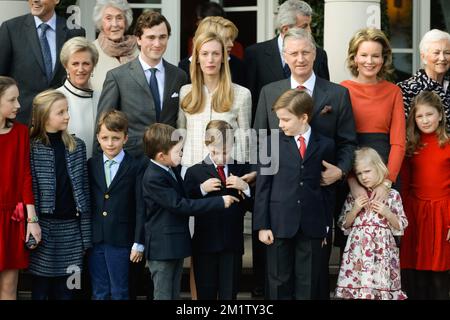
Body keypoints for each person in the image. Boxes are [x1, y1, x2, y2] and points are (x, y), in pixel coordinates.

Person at [253, 27, 357, 299]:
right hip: (280, 208)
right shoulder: (268, 92)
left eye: (306, 52)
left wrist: (341, 170)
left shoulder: (336, 94)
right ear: (284, 56)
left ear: (315, 54)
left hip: (317, 200)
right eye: (293, 53)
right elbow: (260, 142)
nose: (300, 58)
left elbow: (347, 142)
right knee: (278, 281)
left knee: (312, 282)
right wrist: (261, 218)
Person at [140, 123, 238, 300]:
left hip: (175, 246)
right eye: (178, 151)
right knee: (163, 295)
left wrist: (200, 189)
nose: (182, 154)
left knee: (173, 294)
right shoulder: (153, 177)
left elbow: (185, 194)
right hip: (162, 248)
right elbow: (181, 205)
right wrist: (218, 201)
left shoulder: (172, 169)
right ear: (162, 156)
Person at [254, 89, 335, 299]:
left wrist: (326, 225)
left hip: (313, 224)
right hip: (279, 224)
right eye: (279, 119)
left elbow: (327, 189)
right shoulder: (269, 144)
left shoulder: (325, 144)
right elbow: (262, 187)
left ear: (304, 117)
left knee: (308, 283)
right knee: (278, 281)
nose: (280, 124)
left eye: (285, 119)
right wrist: (262, 225)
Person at [340, 28, 406, 248]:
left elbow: (398, 142)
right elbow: (340, 141)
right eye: (364, 55)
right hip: (352, 168)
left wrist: (387, 182)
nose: (370, 61)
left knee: (386, 238)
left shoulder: (393, 91)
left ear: (383, 58)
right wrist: (351, 181)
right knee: (351, 239)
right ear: (354, 58)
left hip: (384, 169)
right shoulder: (342, 90)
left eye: (376, 55)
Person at [96, 11, 188, 157]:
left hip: (170, 162)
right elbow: (103, 126)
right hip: (132, 162)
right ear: (138, 39)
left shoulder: (179, 76)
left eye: (162, 37)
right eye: (151, 37)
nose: (157, 44)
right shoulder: (117, 77)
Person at [29, 89, 91, 300]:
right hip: (43, 232)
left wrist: (86, 236)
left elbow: (83, 191)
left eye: (67, 111)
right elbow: (30, 191)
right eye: (61, 112)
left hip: (72, 233)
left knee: (70, 291)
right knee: (41, 293)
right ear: (45, 115)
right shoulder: (31, 147)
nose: (67, 116)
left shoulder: (77, 146)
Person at [184, 120, 253, 300]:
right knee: (205, 294)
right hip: (205, 245)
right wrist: (201, 189)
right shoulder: (194, 172)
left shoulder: (243, 169)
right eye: (215, 152)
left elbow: (254, 206)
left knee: (229, 295)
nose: (221, 158)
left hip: (232, 245)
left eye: (225, 152)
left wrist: (245, 187)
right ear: (207, 144)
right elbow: (185, 206)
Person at [88, 110, 147, 300]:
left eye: (116, 138)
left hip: (122, 240)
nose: (110, 143)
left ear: (125, 138)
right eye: (105, 138)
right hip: (96, 239)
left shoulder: (135, 166)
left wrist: (138, 242)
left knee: (120, 290)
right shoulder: (92, 164)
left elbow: (140, 207)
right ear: (98, 138)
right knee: (99, 290)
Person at [335, 147, 408, 300]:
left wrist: (387, 213)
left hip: (382, 253)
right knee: (359, 291)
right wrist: (355, 210)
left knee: (381, 290)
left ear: (378, 167)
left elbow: (400, 225)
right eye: (359, 173)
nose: (363, 177)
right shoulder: (355, 196)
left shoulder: (392, 195)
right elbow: (344, 224)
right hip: (359, 254)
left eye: (367, 171)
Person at [0, 0, 85, 125]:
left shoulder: (75, 32)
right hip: (21, 121)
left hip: (63, 121)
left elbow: (79, 78)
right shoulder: (10, 29)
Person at [400, 91, 450, 300]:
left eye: (429, 114)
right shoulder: (410, 147)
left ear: (440, 114)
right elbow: (404, 187)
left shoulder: (447, 145)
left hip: (443, 214)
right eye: (419, 116)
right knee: (416, 278)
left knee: (440, 278)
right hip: (416, 215)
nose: (425, 120)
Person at [245, 0, 330, 120]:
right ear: (285, 29)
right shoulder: (255, 55)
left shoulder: (319, 54)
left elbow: (325, 97)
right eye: (304, 26)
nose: (310, 31)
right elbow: (252, 103)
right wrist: (265, 138)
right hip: (273, 134)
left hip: (310, 133)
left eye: (309, 25)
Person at [178, 32, 251, 170]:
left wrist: (240, 172)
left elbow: (244, 139)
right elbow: (181, 132)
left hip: (226, 169)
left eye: (216, 54)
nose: (210, 59)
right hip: (190, 167)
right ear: (197, 58)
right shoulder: (185, 92)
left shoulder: (242, 94)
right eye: (204, 54)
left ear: (223, 58)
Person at [0, 76, 41, 300]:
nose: (18, 105)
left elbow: (26, 176)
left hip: (14, 218)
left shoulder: (20, 133)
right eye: (12, 99)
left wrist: (31, 220)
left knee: (9, 288)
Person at [398, 29, 450, 132]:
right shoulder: (405, 89)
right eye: (436, 53)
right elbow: (401, 132)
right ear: (423, 57)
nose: (442, 58)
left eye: (447, 53)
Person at [57, 37, 100, 158]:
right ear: (66, 66)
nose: (80, 69)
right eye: (75, 64)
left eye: (86, 63)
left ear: (93, 66)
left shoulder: (102, 97)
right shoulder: (54, 99)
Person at [179, 16, 246, 87]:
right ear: (208, 39)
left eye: (231, 39)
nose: (231, 44)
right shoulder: (183, 68)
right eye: (226, 39)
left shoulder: (238, 66)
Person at [91, 0, 139, 92]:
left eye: (119, 18)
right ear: (100, 22)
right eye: (108, 18)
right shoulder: (91, 51)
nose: (115, 24)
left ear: (126, 20)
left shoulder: (138, 49)